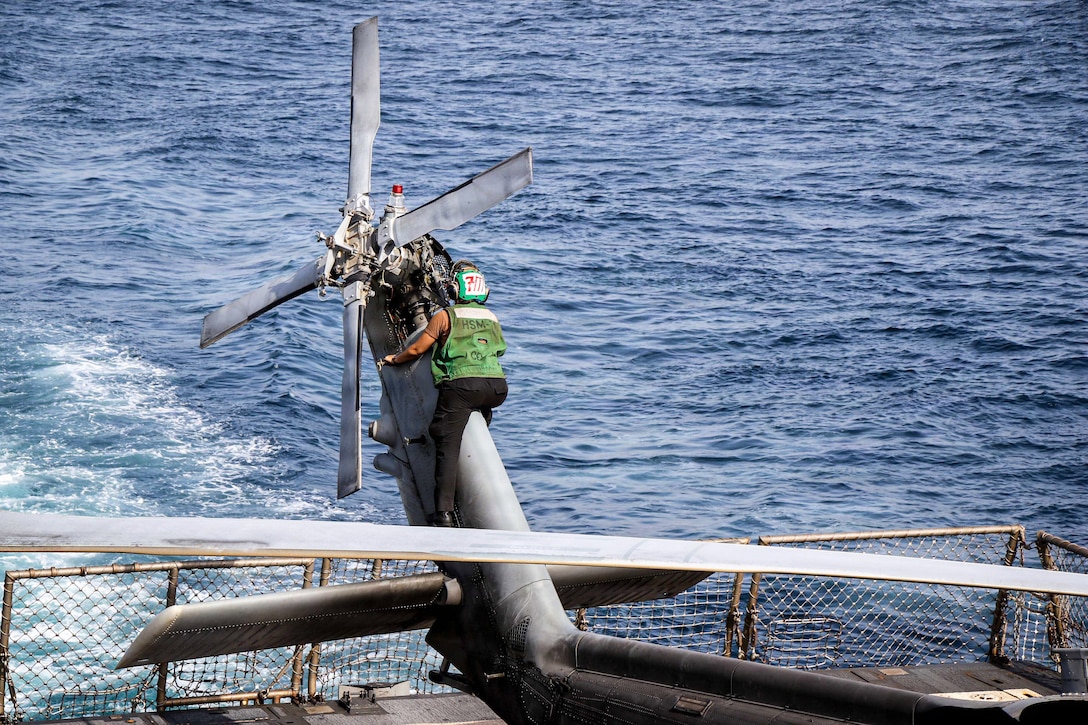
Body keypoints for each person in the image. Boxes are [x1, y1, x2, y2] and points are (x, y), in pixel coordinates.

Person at [381, 261, 508, 527]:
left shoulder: (445, 316)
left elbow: (417, 350)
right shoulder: (492, 318)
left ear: (453, 290)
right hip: (496, 388)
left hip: (463, 388)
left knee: (445, 446)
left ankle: (444, 515)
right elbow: (498, 351)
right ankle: (481, 419)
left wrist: (395, 359)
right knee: (474, 408)